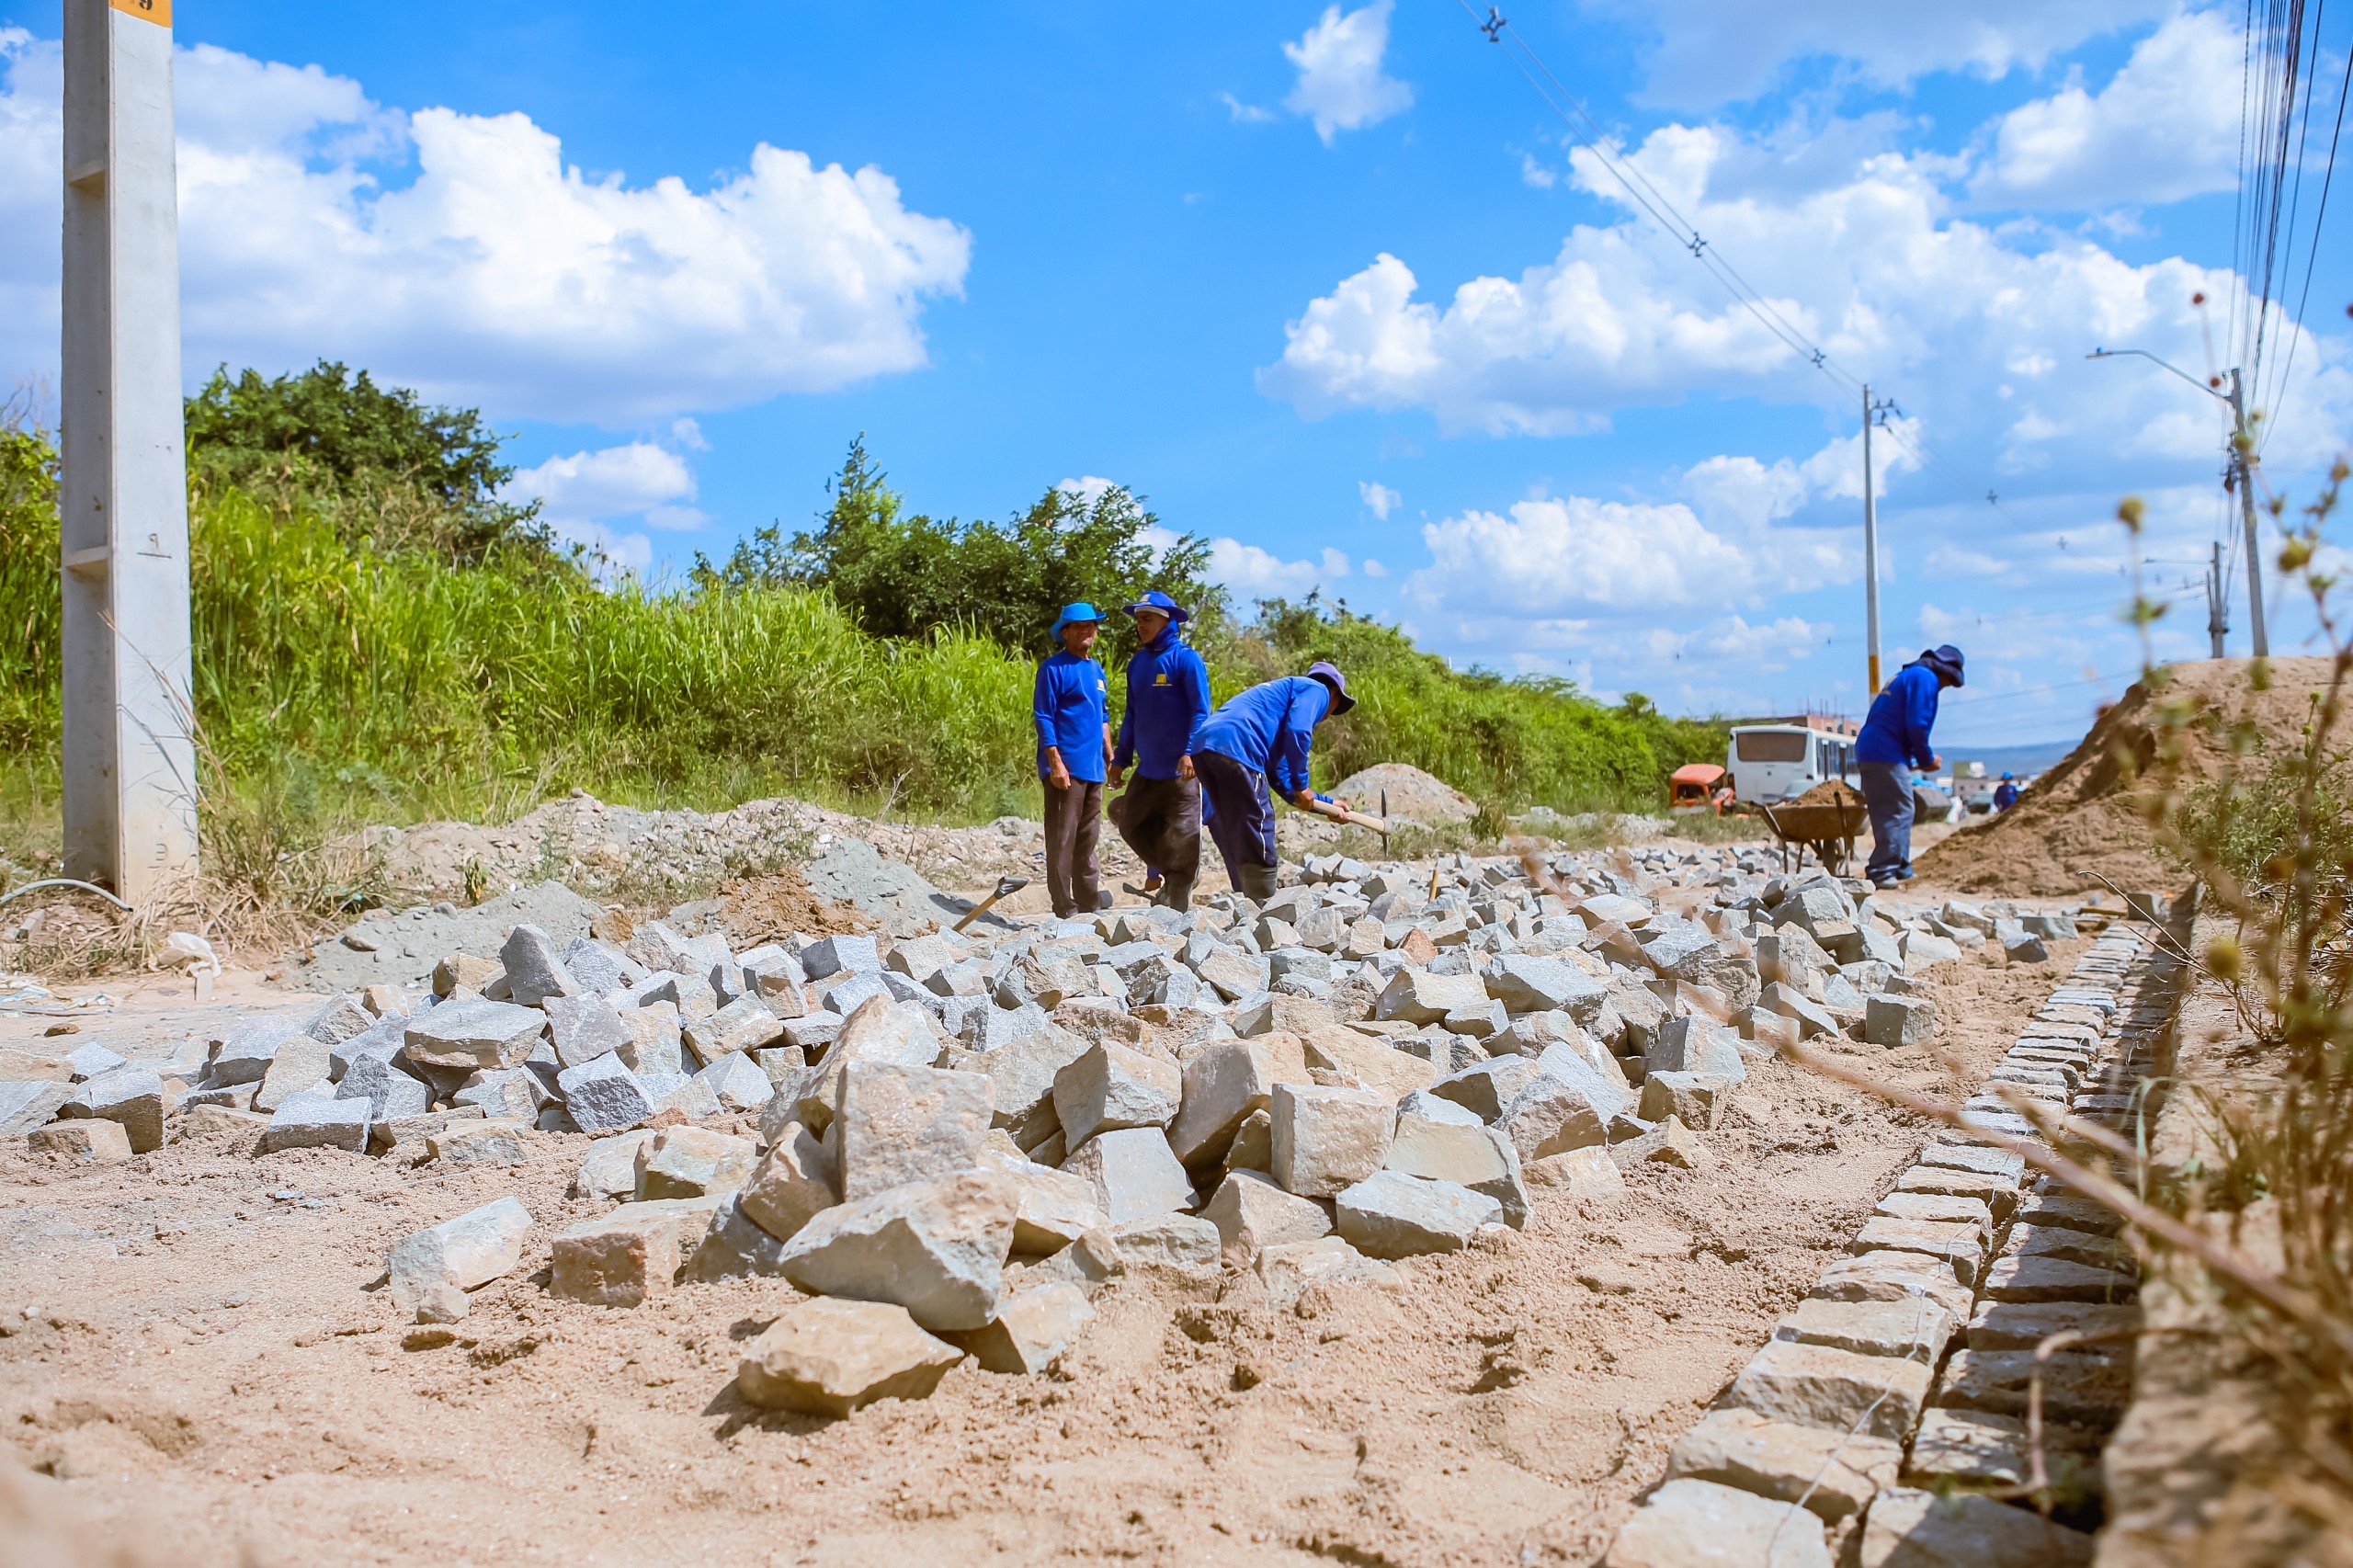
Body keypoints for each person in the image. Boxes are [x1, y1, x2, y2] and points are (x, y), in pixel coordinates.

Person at [1191, 661, 1355, 902]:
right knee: (1259, 818)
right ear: (1333, 692)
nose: (1327, 716)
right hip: (1239, 743)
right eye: (1333, 709)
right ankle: (1265, 902)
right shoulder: (1316, 689)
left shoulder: (1274, 710)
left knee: (1236, 824)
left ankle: (1248, 901)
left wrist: (1326, 805)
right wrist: (1302, 785)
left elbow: (1282, 779)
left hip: (1204, 747)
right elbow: (1299, 731)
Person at [1107, 591, 1211, 910]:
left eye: (1147, 618)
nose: (1140, 625)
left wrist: (1191, 752)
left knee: (1182, 838)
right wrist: (1121, 758)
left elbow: (1200, 711)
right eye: (1138, 619)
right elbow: (1132, 714)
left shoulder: (1186, 660)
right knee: (1127, 822)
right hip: (1148, 770)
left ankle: (1178, 891)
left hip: (1182, 774)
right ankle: (1178, 873)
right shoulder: (1137, 664)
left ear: (1168, 620)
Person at [1856, 643, 1965, 888]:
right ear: (1946, 672)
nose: (1946, 687)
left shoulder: (1909, 676)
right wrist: (1927, 760)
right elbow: (1917, 725)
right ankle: (1883, 869)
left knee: (1896, 808)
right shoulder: (1925, 678)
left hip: (1874, 749)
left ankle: (1900, 866)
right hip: (1885, 752)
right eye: (1949, 682)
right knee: (1899, 809)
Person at [1033, 602, 1113, 918]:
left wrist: (1110, 753)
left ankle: (1088, 901)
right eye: (1078, 626)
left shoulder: (1096, 670)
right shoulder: (1053, 669)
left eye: (1090, 625)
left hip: (1093, 768)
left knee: (1088, 838)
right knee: (1062, 838)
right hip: (1066, 768)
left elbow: (1102, 716)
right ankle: (1064, 906)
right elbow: (1044, 716)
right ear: (1065, 631)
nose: (1086, 630)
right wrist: (1055, 761)